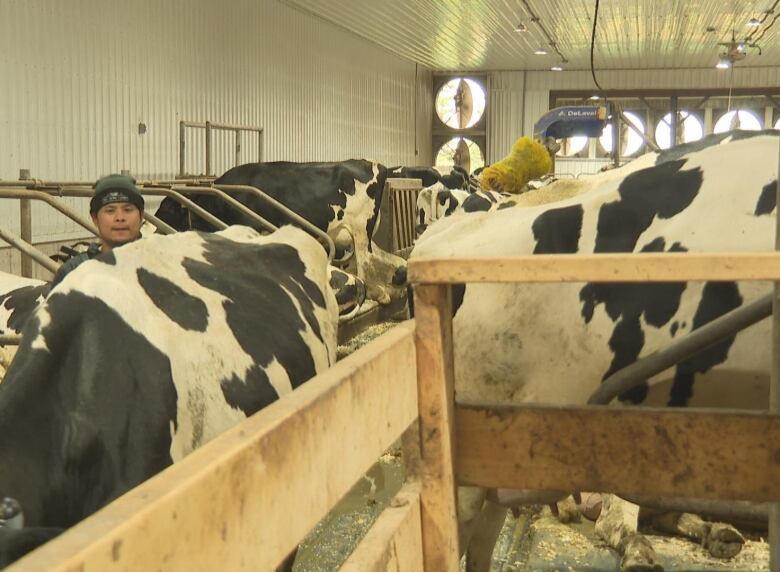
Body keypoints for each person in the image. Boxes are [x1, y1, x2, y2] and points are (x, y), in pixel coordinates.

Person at [50, 174, 145, 289]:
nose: (120, 217)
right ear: (95, 218)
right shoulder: (73, 271)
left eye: (128, 210)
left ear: (141, 216)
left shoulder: (158, 265)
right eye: (110, 211)